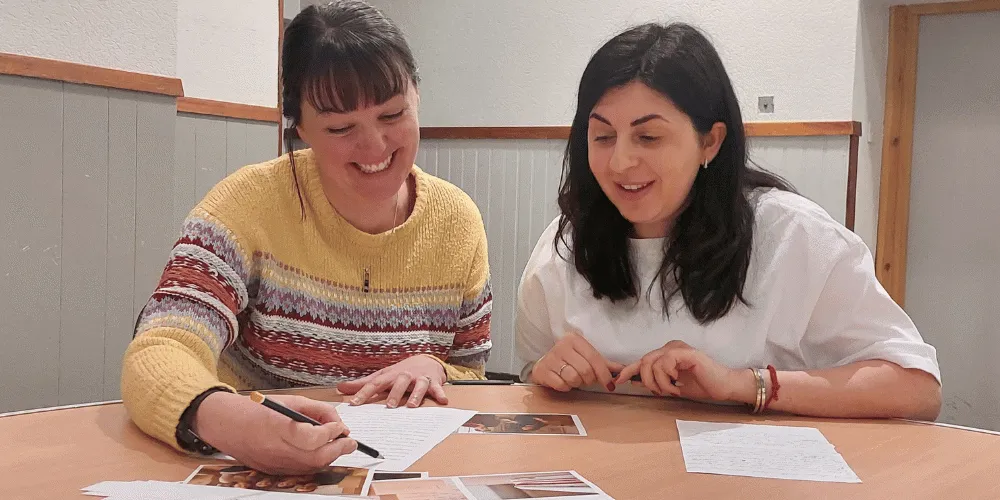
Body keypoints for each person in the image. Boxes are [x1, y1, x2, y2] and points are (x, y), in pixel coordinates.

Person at [120, 0, 493, 474]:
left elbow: (474, 375)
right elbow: (160, 347)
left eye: (393, 114)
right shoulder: (247, 205)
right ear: (299, 126)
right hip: (249, 469)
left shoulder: (458, 222)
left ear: (417, 94)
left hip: (404, 475)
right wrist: (224, 418)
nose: (375, 147)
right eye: (341, 128)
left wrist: (437, 368)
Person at [514, 22, 942, 420]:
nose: (621, 162)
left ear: (710, 141)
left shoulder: (791, 237)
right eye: (603, 137)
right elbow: (530, 375)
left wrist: (741, 385)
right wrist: (545, 372)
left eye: (649, 137)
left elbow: (917, 388)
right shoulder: (565, 244)